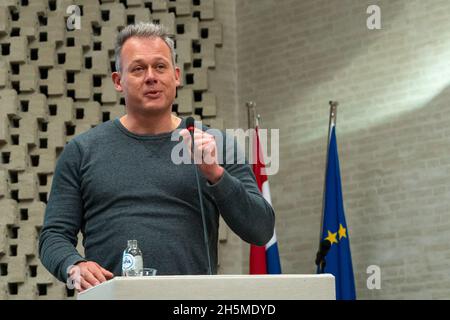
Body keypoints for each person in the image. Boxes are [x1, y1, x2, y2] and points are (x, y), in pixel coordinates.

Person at [38, 22, 275, 292]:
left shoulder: (215, 145)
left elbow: (261, 230)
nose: (151, 76)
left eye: (160, 67)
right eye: (138, 69)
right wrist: (73, 265)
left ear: (176, 75)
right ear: (118, 81)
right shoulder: (82, 151)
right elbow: (53, 236)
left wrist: (216, 175)